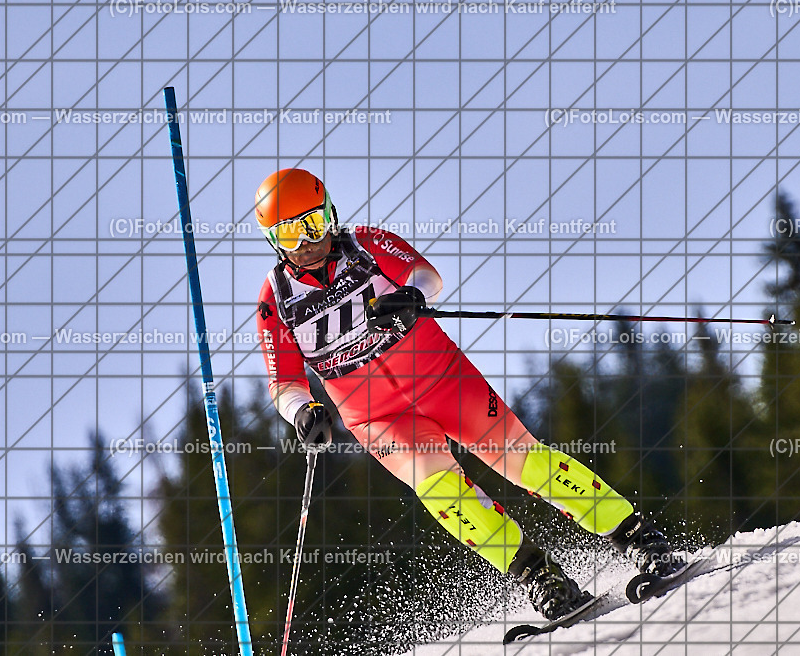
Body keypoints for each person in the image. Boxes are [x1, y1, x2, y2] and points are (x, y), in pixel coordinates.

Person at [254, 168, 682, 621]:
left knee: (524, 461)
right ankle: (542, 579)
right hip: (378, 419)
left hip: (443, 379)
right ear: (273, 240)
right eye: (290, 233)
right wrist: (303, 412)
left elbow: (426, 276)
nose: (307, 242)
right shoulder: (274, 300)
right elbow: (283, 383)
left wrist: (409, 297)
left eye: (314, 224)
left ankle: (640, 538)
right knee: (444, 494)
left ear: (330, 214)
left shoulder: (366, 243)